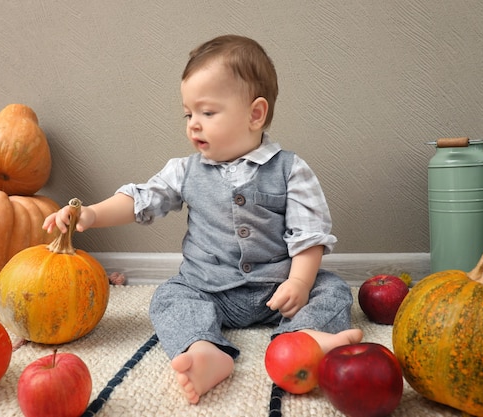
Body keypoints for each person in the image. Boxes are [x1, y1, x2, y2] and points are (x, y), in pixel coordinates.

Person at [43, 34, 363, 405]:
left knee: (333, 289)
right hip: (208, 290)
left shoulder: (291, 170)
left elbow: (309, 234)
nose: (193, 124)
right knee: (169, 297)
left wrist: (300, 282)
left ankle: (304, 337)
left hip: (278, 290)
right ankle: (204, 348)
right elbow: (141, 200)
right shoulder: (185, 171)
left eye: (207, 113)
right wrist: (92, 213)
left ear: (255, 114)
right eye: (188, 113)